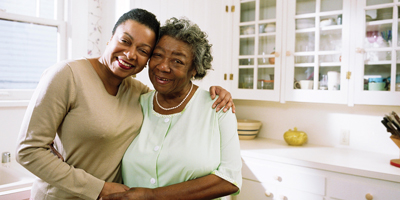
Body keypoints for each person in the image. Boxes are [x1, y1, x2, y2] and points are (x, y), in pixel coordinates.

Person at [16, 9, 234, 200]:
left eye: (143, 50)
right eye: (125, 41)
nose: (130, 54)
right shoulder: (66, 75)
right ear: (111, 38)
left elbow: (176, 93)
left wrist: (218, 92)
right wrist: (100, 188)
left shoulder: (137, 92)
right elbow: (28, 150)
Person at [102, 17, 242, 200]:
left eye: (177, 61)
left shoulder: (218, 107)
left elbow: (229, 179)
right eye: (158, 55)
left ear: (195, 69)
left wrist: (152, 196)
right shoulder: (136, 103)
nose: (163, 66)